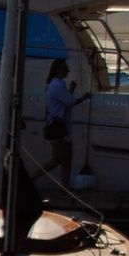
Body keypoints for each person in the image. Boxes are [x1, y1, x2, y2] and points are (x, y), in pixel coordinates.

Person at [42, 58, 77, 189]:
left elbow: (66, 100)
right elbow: (70, 102)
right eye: (65, 68)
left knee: (67, 158)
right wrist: (84, 97)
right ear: (58, 70)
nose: (67, 70)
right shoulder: (56, 85)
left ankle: (65, 187)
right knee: (58, 159)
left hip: (61, 126)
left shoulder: (58, 85)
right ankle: (32, 177)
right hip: (57, 126)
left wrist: (71, 89)